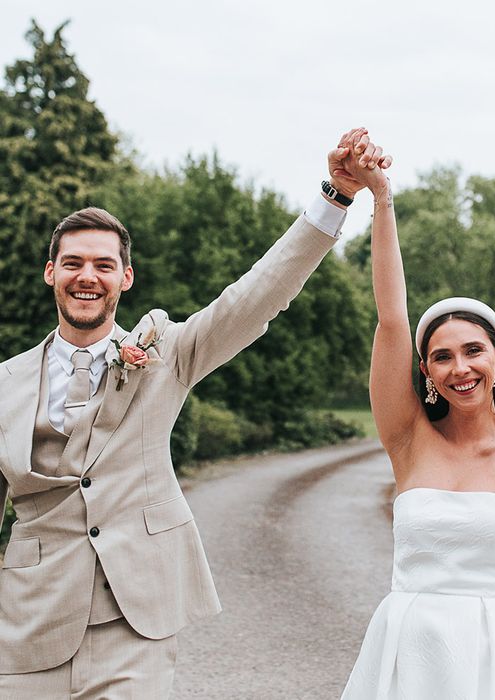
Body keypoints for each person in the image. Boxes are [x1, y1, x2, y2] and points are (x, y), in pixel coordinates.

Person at [0, 127, 389, 698]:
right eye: (74, 263)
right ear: (50, 272)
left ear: (125, 279)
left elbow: (254, 298)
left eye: (104, 265)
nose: (88, 277)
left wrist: (334, 197)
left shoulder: (168, 353)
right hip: (28, 625)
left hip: (134, 620)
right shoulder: (4, 383)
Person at [336, 141, 495, 699]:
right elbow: (392, 317)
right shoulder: (408, 440)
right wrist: (381, 198)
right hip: (408, 655)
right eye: (441, 356)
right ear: (424, 371)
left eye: (473, 351)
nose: (459, 368)